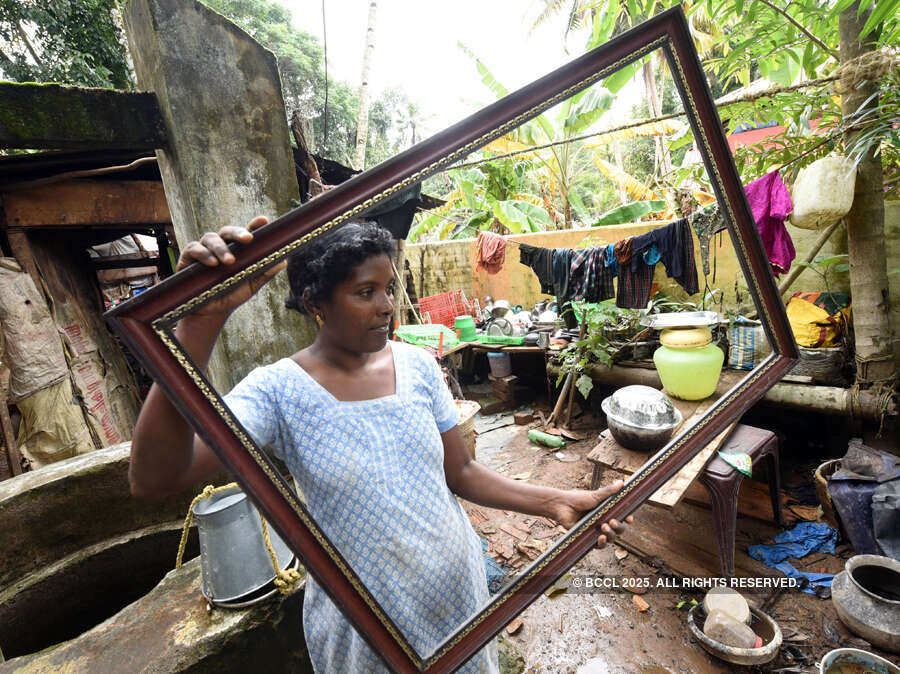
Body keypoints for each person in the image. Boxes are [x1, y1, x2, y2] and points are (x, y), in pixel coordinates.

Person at [129, 216, 632, 673]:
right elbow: (154, 478)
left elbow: (462, 474)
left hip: (458, 599)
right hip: (365, 629)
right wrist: (198, 323)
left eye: (388, 288)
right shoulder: (276, 391)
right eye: (365, 291)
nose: (387, 306)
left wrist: (555, 501)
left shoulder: (416, 367)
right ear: (315, 304)